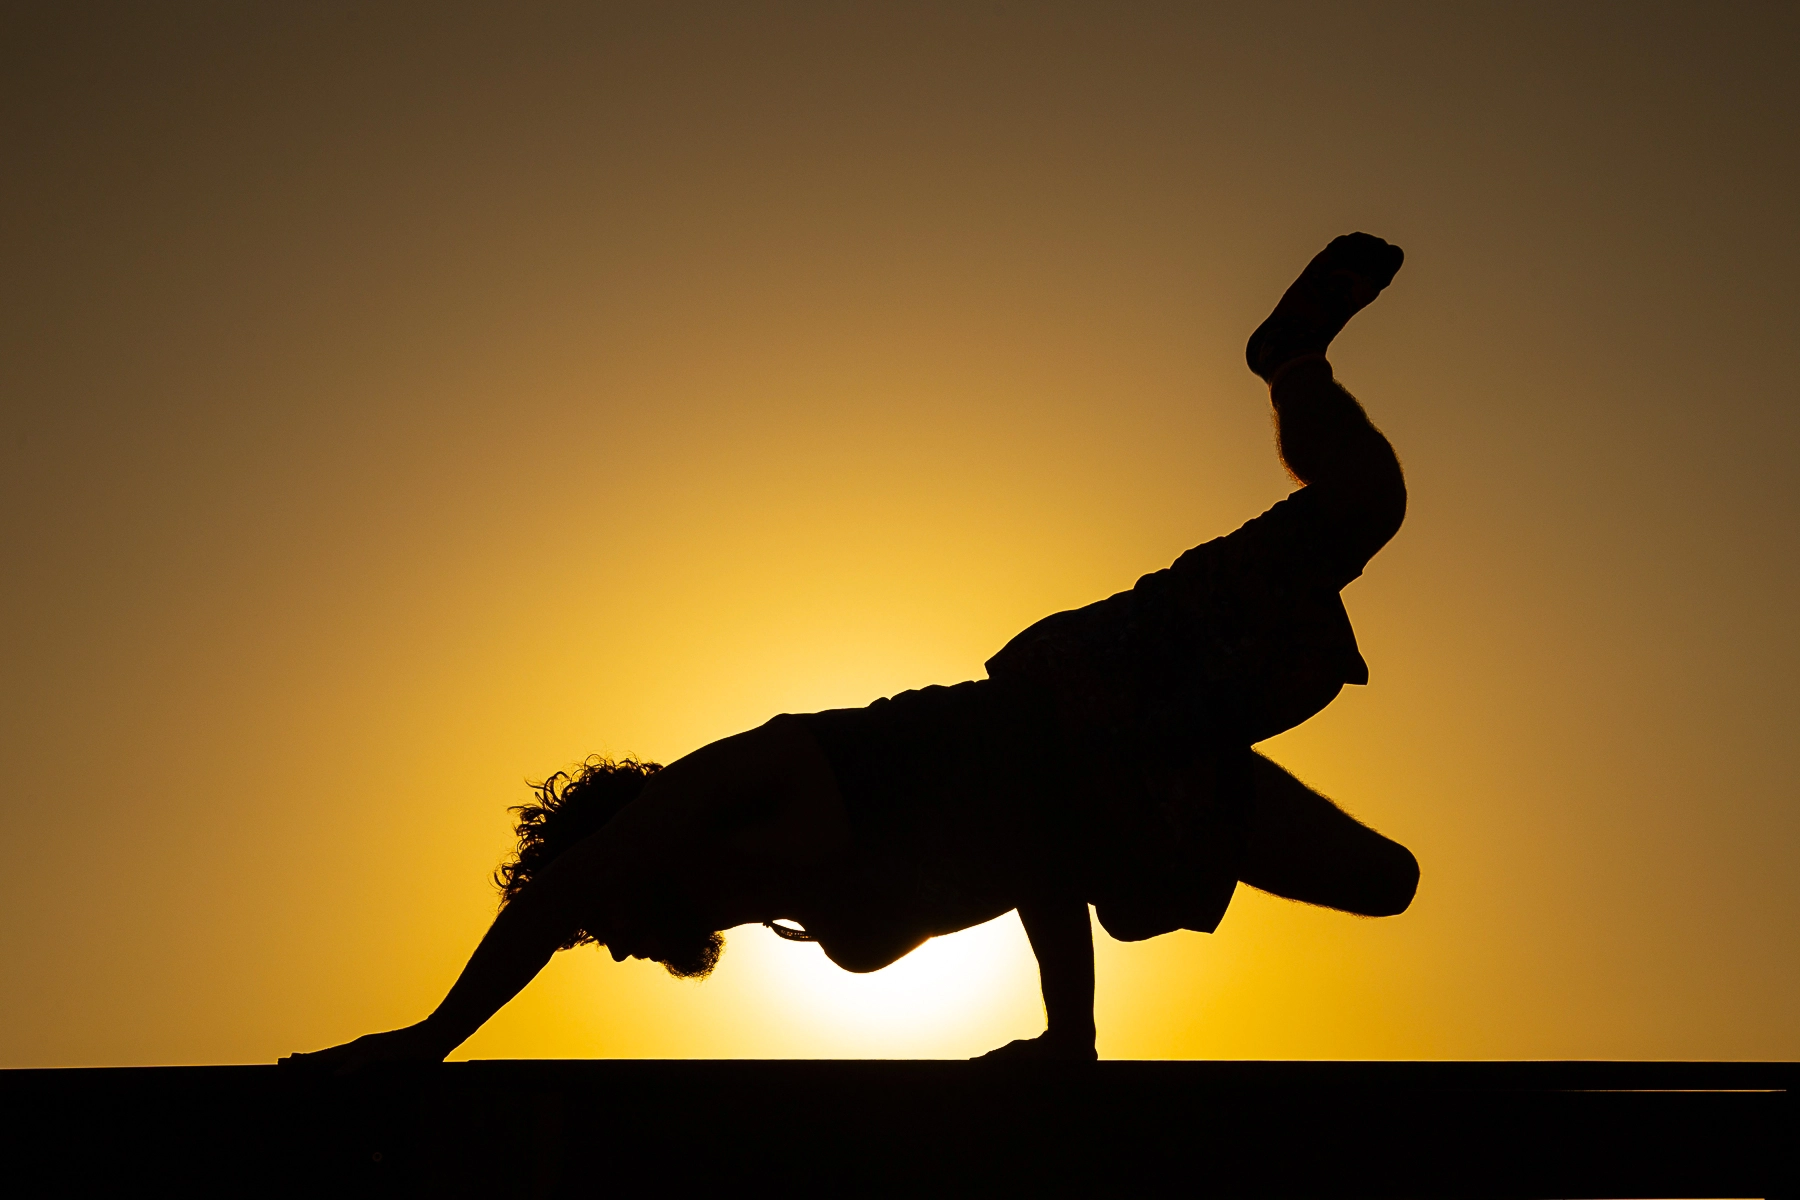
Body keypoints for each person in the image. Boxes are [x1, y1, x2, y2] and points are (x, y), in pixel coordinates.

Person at [283, 232, 1420, 1070]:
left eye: (604, 928)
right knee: (1386, 885)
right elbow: (1039, 848)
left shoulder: (741, 784)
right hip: (1135, 799)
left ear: (631, 854)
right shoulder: (786, 904)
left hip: (1104, 695)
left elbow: (1025, 815)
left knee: (1367, 500)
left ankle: (1290, 361)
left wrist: (428, 1040)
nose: (617, 951)